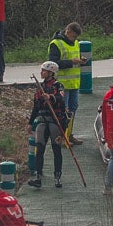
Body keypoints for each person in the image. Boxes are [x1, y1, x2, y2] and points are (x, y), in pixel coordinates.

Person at [28, 61, 70, 189]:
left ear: (51, 73)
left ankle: (57, 177)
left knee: (56, 149)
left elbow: (61, 99)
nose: (42, 73)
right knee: (39, 149)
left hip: (55, 121)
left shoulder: (58, 86)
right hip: (42, 120)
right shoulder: (39, 87)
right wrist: (30, 123)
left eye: (44, 71)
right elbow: (36, 106)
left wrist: (51, 97)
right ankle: (38, 176)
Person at [48, 22, 84, 133]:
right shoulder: (56, 44)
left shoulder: (76, 43)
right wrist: (70, 62)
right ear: (68, 31)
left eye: (76, 37)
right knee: (63, 111)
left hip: (74, 83)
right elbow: (53, 64)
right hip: (62, 84)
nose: (74, 39)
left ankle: (69, 134)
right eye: (73, 36)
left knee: (73, 109)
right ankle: (62, 135)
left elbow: (74, 58)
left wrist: (80, 60)